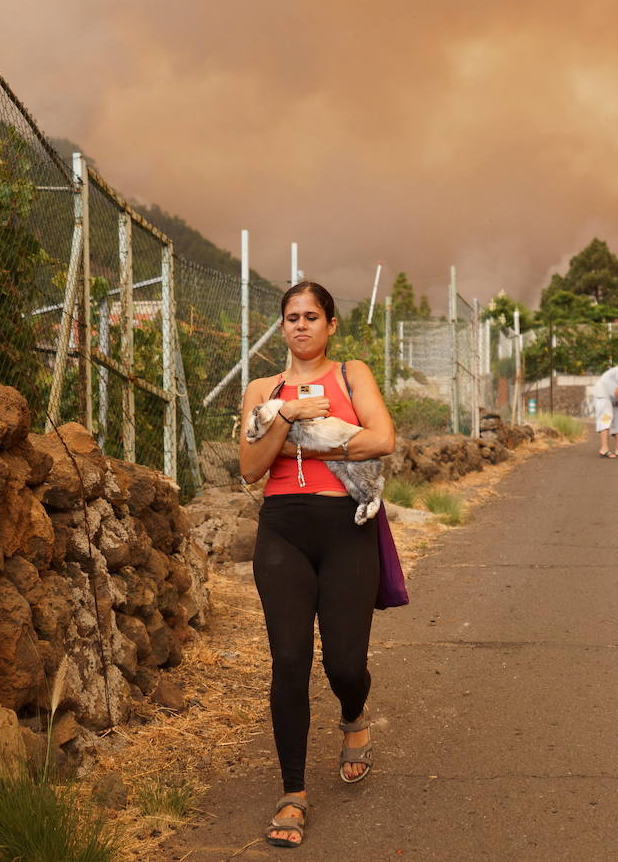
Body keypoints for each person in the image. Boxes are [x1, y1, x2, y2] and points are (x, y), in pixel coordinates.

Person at [238, 281, 397, 848]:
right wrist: (289, 416)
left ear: (331, 325)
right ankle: (293, 793)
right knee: (288, 659)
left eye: (312, 316)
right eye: (291, 317)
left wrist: (308, 441)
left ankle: (354, 717)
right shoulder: (262, 387)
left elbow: (382, 439)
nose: (301, 325)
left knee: (345, 665)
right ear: (281, 327)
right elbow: (251, 466)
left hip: (345, 531)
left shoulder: (353, 374)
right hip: (282, 531)